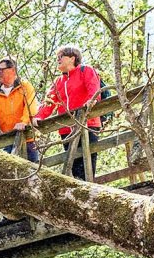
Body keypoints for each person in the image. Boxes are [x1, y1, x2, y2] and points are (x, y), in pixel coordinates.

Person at [35, 45, 103, 180]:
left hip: (88, 124)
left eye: (61, 57)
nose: (57, 60)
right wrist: (37, 116)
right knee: (73, 167)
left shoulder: (85, 70)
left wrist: (91, 101)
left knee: (87, 165)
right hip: (66, 130)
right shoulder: (58, 81)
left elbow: (94, 90)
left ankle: (88, 193)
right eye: (56, 58)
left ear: (72, 58)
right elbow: (49, 103)